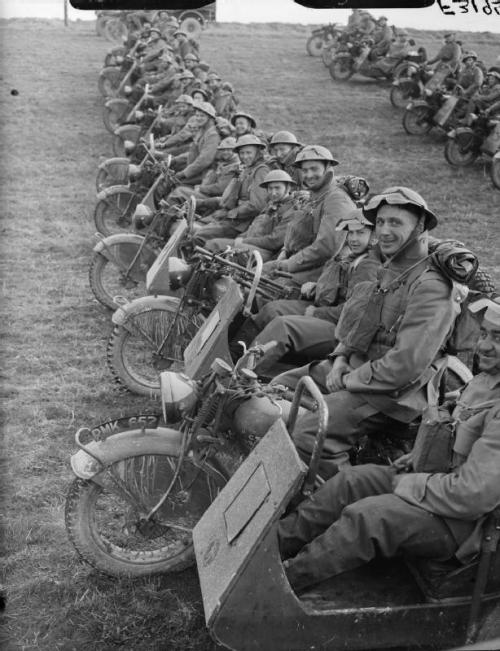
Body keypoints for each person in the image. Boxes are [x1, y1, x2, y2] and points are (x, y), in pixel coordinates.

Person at [278, 295, 500, 594]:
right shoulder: (485, 381)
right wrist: (416, 455)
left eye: (497, 338)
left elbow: (472, 496)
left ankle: (279, 586)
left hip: (466, 525)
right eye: (484, 334)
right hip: (438, 485)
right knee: (351, 482)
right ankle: (272, 545)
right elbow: (459, 433)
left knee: (368, 518)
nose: (483, 345)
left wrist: (409, 485)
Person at [272, 187, 464, 480]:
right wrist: (340, 359)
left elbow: (404, 367)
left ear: (420, 226)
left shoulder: (431, 287)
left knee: (312, 431)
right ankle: (280, 472)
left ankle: (333, 500)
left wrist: (349, 379)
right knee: (279, 388)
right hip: (360, 367)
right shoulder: (390, 267)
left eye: (396, 223)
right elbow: (359, 322)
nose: (385, 231)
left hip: (396, 394)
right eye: (382, 222)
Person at [248, 210, 378, 377]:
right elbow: (343, 289)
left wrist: (317, 313)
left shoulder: (368, 266)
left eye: (360, 233)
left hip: (342, 332)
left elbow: (354, 311)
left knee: (283, 326)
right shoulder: (353, 258)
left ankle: (244, 374)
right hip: (329, 313)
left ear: (373, 237)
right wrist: (318, 286)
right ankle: (238, 354)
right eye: (351, 232)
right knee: (271, 309)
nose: (353, 238)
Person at [204, 169, 298, 259]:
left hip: (264, 252)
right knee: (212, 244)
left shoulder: (291, 210)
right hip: (250, 245)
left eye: (277, 188)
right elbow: (254, 227)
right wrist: (240, 238)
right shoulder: (270, 204)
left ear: (288, 188)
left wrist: (244, 241)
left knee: (216, 247)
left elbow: (274, 241)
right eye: (270, 188)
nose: (273, 193)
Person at [194, 134, 270, 241]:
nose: (245, 156)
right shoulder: (246, 169)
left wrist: (231, 213)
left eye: (249, 153)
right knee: (195, 224)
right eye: (242, 153)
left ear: (257, 152)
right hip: (232, 218)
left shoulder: (261, 171)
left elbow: (256, 205)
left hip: (243, 224)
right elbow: (231, 197)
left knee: (200, 234)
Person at [168, 136, 239, 211]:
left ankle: (168, 216)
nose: (225, 152)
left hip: (213, 199)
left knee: (179, 192)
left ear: (235, 152)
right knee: (179, 186)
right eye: (223, 150)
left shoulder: (234, 166)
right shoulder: (224, 162)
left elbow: (220, 188)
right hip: (208, 193)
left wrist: (201, 189)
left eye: (229, 150)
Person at [171, 100, 221, 186]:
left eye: (202, 116)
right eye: (197, 115)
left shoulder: (213, 135)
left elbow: (204, 160)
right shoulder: (203, 131)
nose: (198, 118)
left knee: (173, 183)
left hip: (206, 174)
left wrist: (184, 173)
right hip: (196, 169)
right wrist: (175, 160)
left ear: (210, 118)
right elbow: (194, 153)